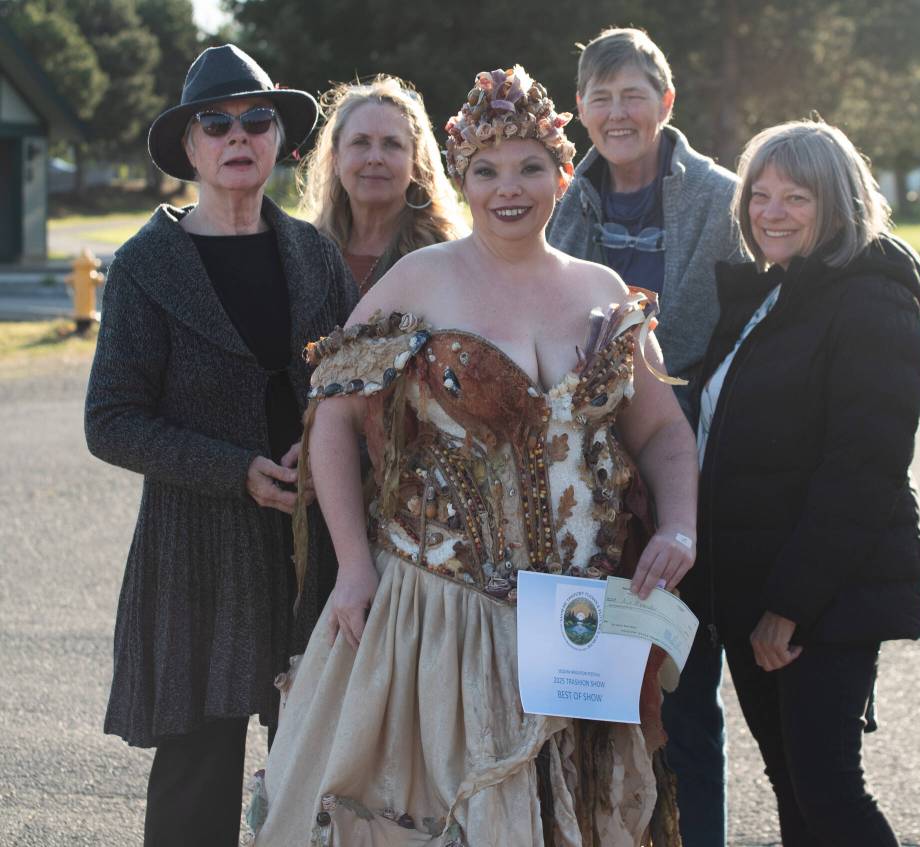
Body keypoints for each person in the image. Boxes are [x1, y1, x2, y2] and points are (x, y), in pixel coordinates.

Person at [250, 65, 699, 846]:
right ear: (461, 177)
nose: (508, 189)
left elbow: (661, 431)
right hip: (437, 618)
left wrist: (680, 528)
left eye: (529, 166)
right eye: (485, 170)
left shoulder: (602, 291)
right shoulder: (420, 280)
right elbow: (332, 419)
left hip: (577, 622)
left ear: (563, 173)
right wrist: (354, 566)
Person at [84, 44, 359, 847]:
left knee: (319, 777)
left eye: (257, 120)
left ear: (279, 141)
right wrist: (234, 470)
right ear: (191, 148)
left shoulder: (316, 255)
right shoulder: (144, 267)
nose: (238, 135)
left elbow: (353, 392)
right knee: (194, 788)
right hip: (196, 556)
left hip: (311, 554)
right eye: (217, 122)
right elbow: (111, 421)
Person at [693, 119, 920, 846]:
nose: (770, 211)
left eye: (796, 196)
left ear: (839, 203)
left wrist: (789, 607)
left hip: (820, 597)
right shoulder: (772, 295)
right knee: (795, 792)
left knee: (830, 796)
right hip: (755, 587)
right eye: (760, 194)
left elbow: (863, 472)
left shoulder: (870, 302)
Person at [547, 26, 743, 845]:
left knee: (684, 691)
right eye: (601, 97)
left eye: (634, 95)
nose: (617, 112)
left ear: (666, 103)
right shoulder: (556, 200)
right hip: (585, 488)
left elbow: (722, 335)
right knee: (585, 688)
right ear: (581, 112)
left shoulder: (724, 197)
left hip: (691, 464)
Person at [297, 74, 465, 296]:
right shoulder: (304, 253)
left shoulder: (448, 256)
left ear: (416, 161)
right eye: (360, 142)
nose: (375, 158)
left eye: (392, 144)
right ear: (336, 159)